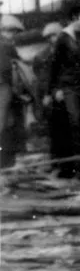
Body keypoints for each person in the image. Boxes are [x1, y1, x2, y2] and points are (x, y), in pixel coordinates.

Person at [47, 5, 80, 177]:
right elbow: (55, 66)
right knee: (75, 122)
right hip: (69, 86)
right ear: (74, 19)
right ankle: (77, 166)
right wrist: (54, 89)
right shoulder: (64, 37)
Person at [0, 14, 22, 169]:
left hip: (7, 88)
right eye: (10, 31)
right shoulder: (7, 47)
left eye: (13, 32)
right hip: (5, 88)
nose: (12, 35)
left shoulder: (8, 46)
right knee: (5, 122)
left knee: (7, 122)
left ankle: (6, 159)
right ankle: (6, 160)